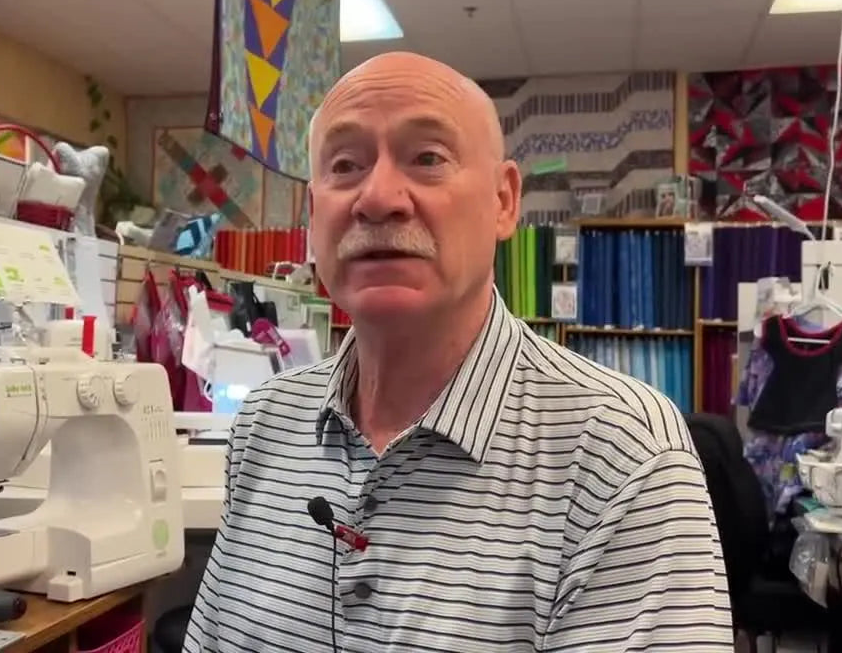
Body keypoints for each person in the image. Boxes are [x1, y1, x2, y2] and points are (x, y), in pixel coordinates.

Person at [182, 52, 732, 652]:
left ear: (504, 202)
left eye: (427, 158)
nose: (378, 198)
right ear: (315, 213)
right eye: (345, 165)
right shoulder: (263, 425)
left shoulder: (621, 455)